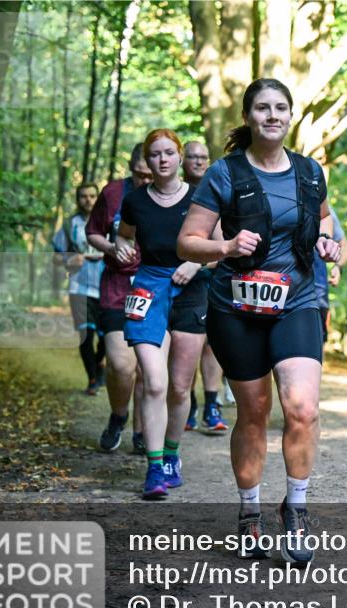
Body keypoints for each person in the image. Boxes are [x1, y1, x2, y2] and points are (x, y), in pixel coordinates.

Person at [178, 78, 341, 563]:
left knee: (302, 408)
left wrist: (330, 244)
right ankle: (250, 513)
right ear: (248, 117)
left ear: (291, 116)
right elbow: (188, 241)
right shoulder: (224, 174)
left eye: (281, 108)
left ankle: (297, 506)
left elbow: (328, 222)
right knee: (252, 412)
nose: (272, 115)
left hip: (298, 300)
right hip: (237, 306)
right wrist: (225, 247)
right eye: (263, 108)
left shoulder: (310, 173)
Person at [117, 128, 208, 499]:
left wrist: (198, 264)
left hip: (191, 288)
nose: (163, 160)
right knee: (153, 381)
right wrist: (122, 248)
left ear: (181, 156)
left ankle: (172, 454)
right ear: (147, 161)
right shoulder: (136, 201)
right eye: (155, 154)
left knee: (180, 386)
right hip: (149, 288)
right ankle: (154, 468)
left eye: (170, 152)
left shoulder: (202, 197)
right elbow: (124, 234)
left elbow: (222, 244)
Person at [86, 144, 151, 453]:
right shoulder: (113, 193)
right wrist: (111, 247)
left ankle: (141, 432)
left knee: (145, 367)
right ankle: (118, 416)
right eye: (140, 172)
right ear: (132, 165)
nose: (146, 178)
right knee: (120, 365)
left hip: (155, 288)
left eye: (151, 172)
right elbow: (93, 232)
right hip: (117, 285)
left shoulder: (175, 195)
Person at [182, 140, 229, 433]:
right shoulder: (173, 193)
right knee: (185, 348)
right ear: (181, 160)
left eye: (203, 158)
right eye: (192, 157)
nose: (198, 162)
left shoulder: (218, 192)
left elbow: (222, 246)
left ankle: (213, 406)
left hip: (211, 281)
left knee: (212, 346)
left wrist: (196, 264)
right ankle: (188, 404)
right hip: (175, 284)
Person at [52, 182, 106, 394]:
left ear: (98, 198)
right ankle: (92, 379)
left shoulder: (109, 222)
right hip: (79, 287)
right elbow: (56, 256)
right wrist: (68, 259)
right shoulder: (69, 225)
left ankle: (99, 363)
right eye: (84, 196)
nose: (88, 200)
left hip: (107, 286)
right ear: (78, 199)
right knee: (85, 335)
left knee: (106, 337)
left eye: (92, 196)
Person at [315, 204, 347, 348]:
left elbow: (344, 246)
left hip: (316, 293)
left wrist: (338, 267)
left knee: (314, 346)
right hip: (273, 284)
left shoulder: (324, 210)